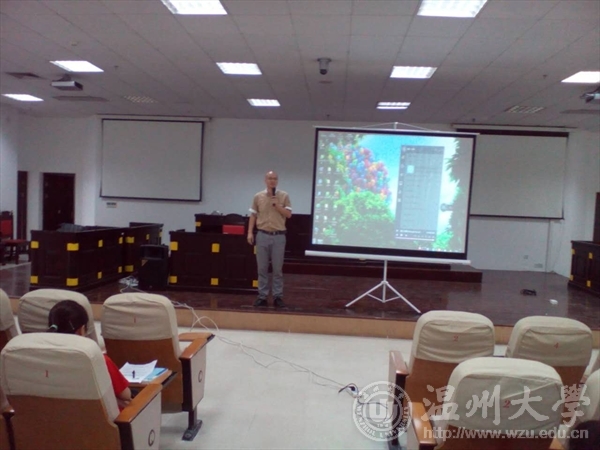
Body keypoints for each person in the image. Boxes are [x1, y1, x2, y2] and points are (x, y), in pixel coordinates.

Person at [47, 300, 132, 410]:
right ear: (82, 330)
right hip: (99, 419)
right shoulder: (97, 360)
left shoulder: (41, 359)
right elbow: (126, 395)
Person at [247, 170, 292, 308]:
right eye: (270, 178)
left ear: (277, 181)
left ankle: (278, 296)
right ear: (265, 180)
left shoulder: (284, 196)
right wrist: (249, 232)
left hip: (278, 236)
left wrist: (277, 205)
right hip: (262, 235)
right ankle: (262, 296)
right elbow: (253, 215)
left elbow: (288, 215)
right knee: (262, 268)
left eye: (275, 178)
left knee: (277, 269)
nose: (272, 181)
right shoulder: (258, 196)